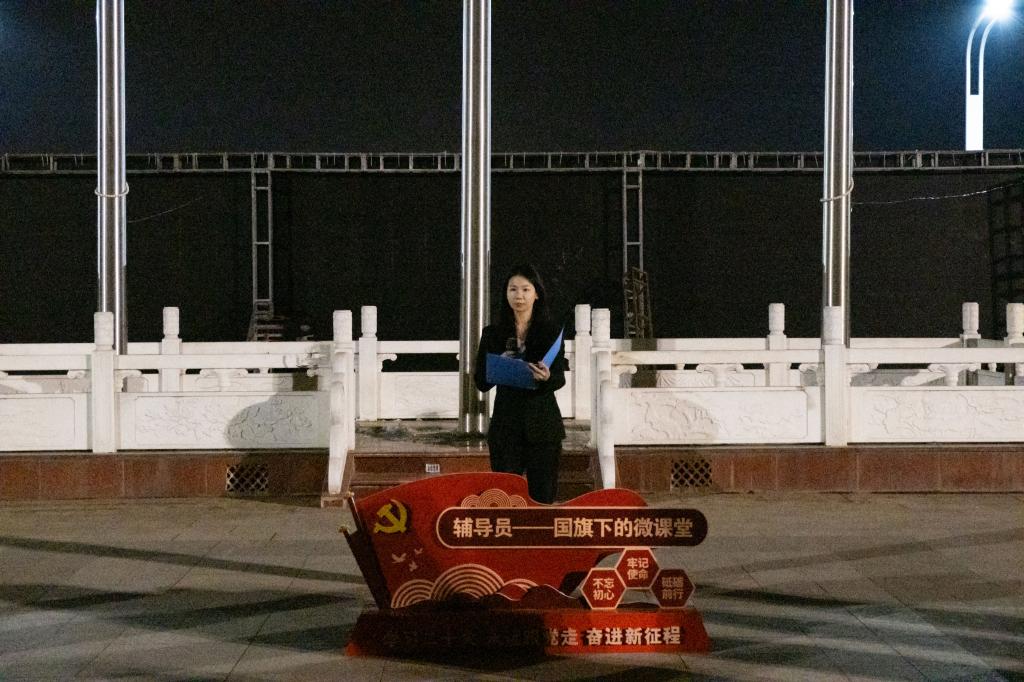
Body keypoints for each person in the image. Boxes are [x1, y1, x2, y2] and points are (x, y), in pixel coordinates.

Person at [474, 264, 566, 504]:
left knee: (543, 498)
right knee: (505, 498)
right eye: (513, 289)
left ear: (537, 294)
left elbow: (560, 377)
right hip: (506, 427)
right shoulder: (492, 334)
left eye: (526, 289)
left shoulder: (551, 332)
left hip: (543, 426)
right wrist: (499, 366)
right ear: (505, 294)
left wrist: (546, 377)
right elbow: (480, 382)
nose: (519, 296)